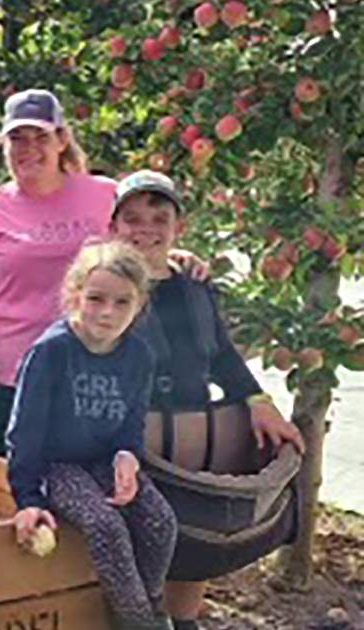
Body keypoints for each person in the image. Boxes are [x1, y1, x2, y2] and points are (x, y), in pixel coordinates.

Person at [0, 89, 206, 455]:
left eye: (41, 137)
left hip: (98, 376)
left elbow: (139, 238)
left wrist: (175, 255)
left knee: (94, 492)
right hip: (18, 380)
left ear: (62, 140)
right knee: (25, 493)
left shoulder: (104, 194)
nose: (29, 148)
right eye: (17, 139)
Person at [109, 171, 305, 630]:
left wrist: (257, 399)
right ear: (114, 227)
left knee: (192, 544)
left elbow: (221, 354)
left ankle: (185, 621)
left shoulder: (195, 285)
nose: (146, 229)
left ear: (181, 225)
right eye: (132, 218)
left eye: (159, 217)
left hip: (193, 434)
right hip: (136, 440)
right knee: (140, 553)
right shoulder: (107, 288)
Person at [7, 240, 178, 630]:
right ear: (75, 295)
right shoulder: (52, 352)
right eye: (96, 298)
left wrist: (128, 455)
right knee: (105, 526)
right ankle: (139, 623)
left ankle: (146, 609)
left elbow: (132, 421)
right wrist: (27, 498)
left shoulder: (139, 355)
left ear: (139, 305)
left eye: (122, 303)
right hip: (58, 465)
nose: (107, 312)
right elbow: (25, 432)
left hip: (103, 460)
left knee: (160, 522)